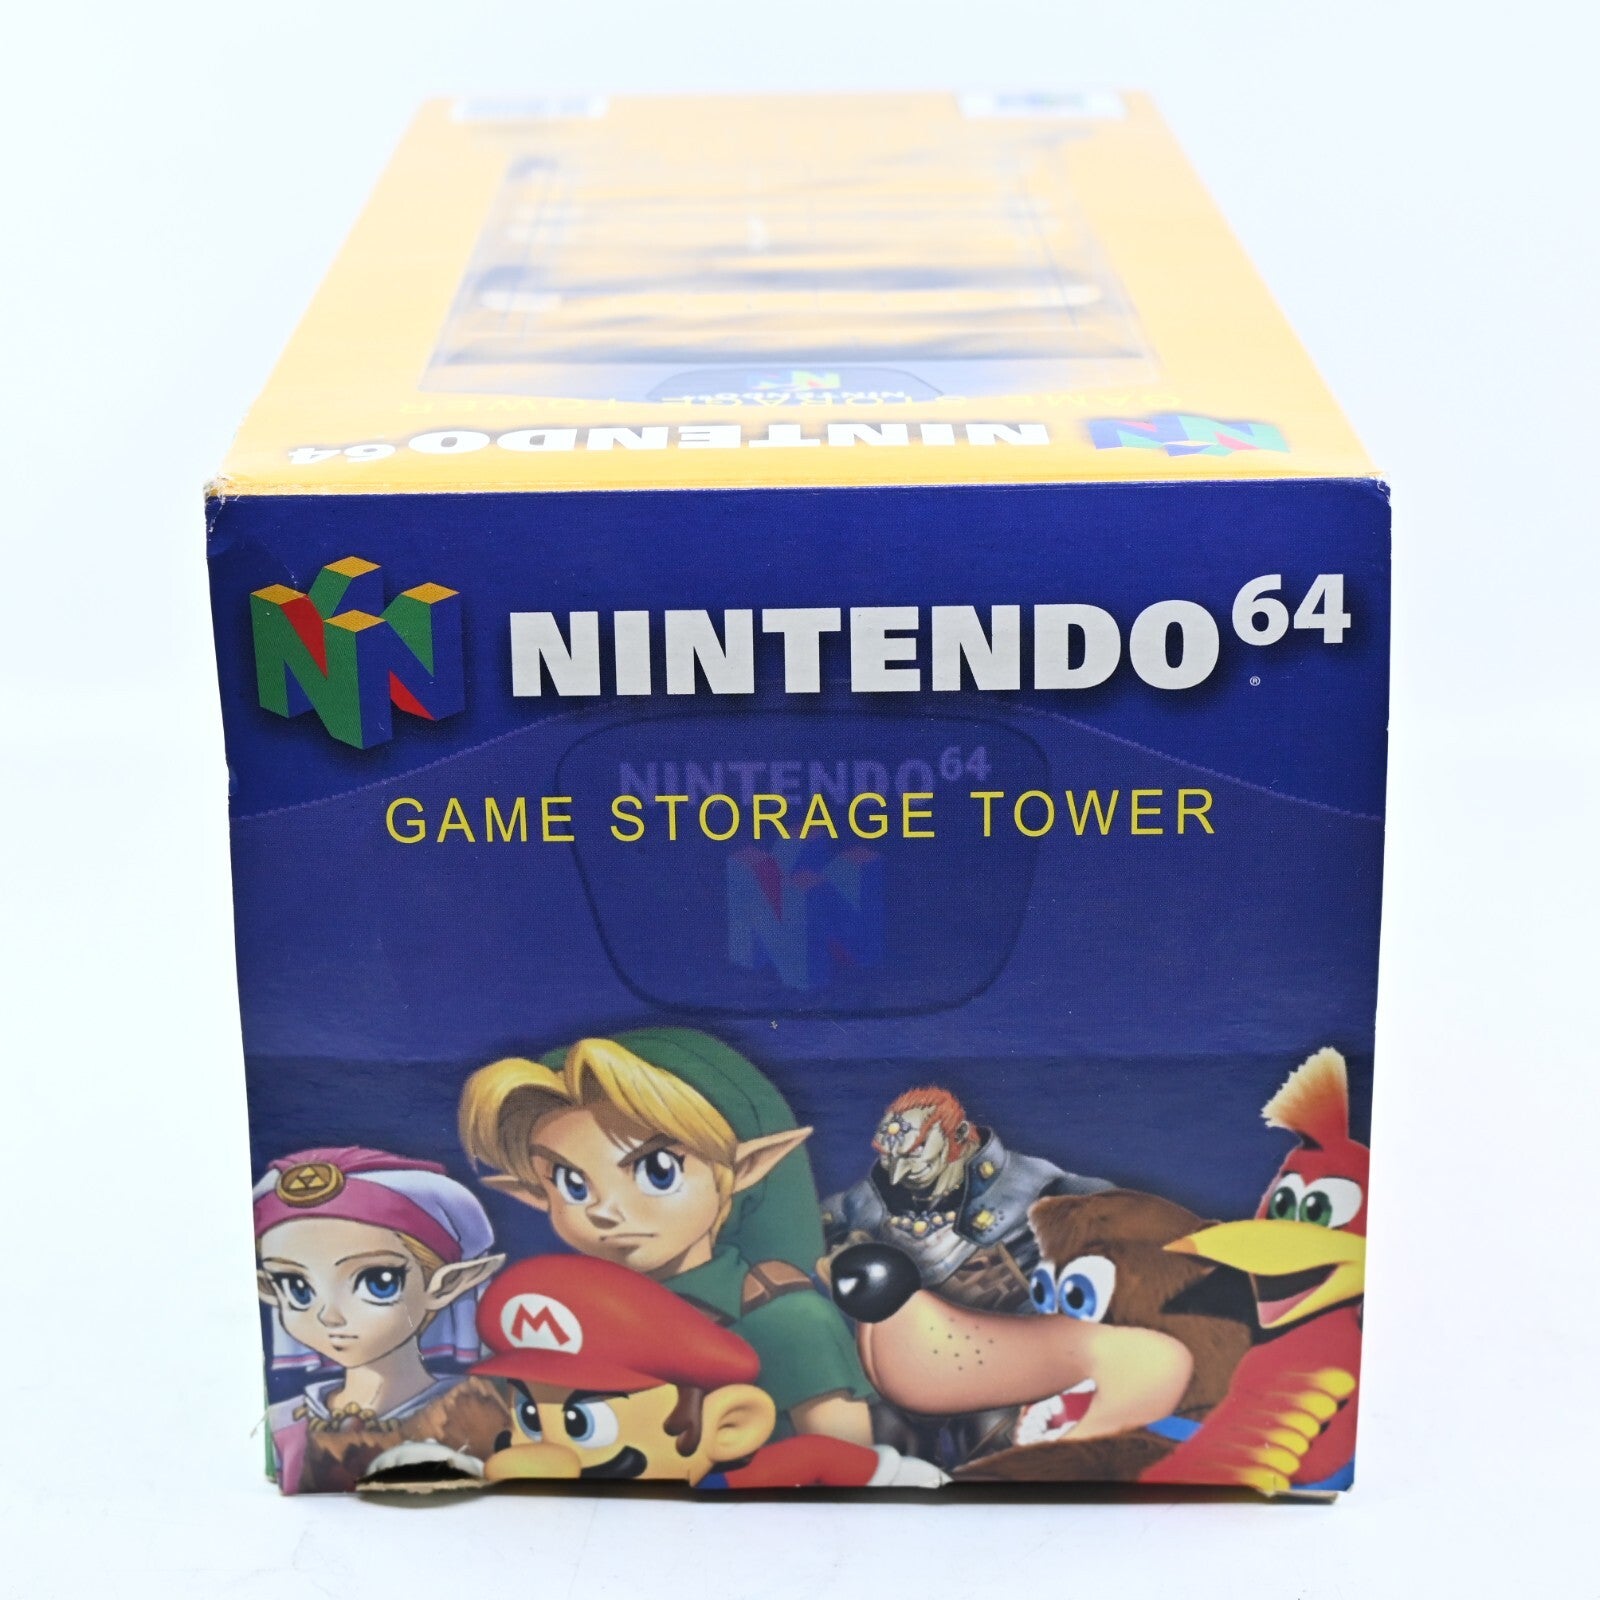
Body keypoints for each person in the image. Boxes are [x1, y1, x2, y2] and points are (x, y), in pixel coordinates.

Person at [458, 1027, 874, 1443]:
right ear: (537, 1194)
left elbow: (847, 1464)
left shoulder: (788, 1321)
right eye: (572, 1184)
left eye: (657, 1171)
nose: (604, 1211)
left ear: (744, 1168)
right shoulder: (552, 1324)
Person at [473, 1254, 944, 1488]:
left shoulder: (731, 1485)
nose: (546, 1454)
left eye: (581, 1423)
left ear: (730, 1426)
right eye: (530, 1417)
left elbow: (825, 1458)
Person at [253, 1146, 506, 1493]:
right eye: (296, 1287)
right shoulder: (286, 1423)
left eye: (378, 1281)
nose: (329, 1316)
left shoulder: (478, 1410)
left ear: (446, 1284)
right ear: (269, 1288)